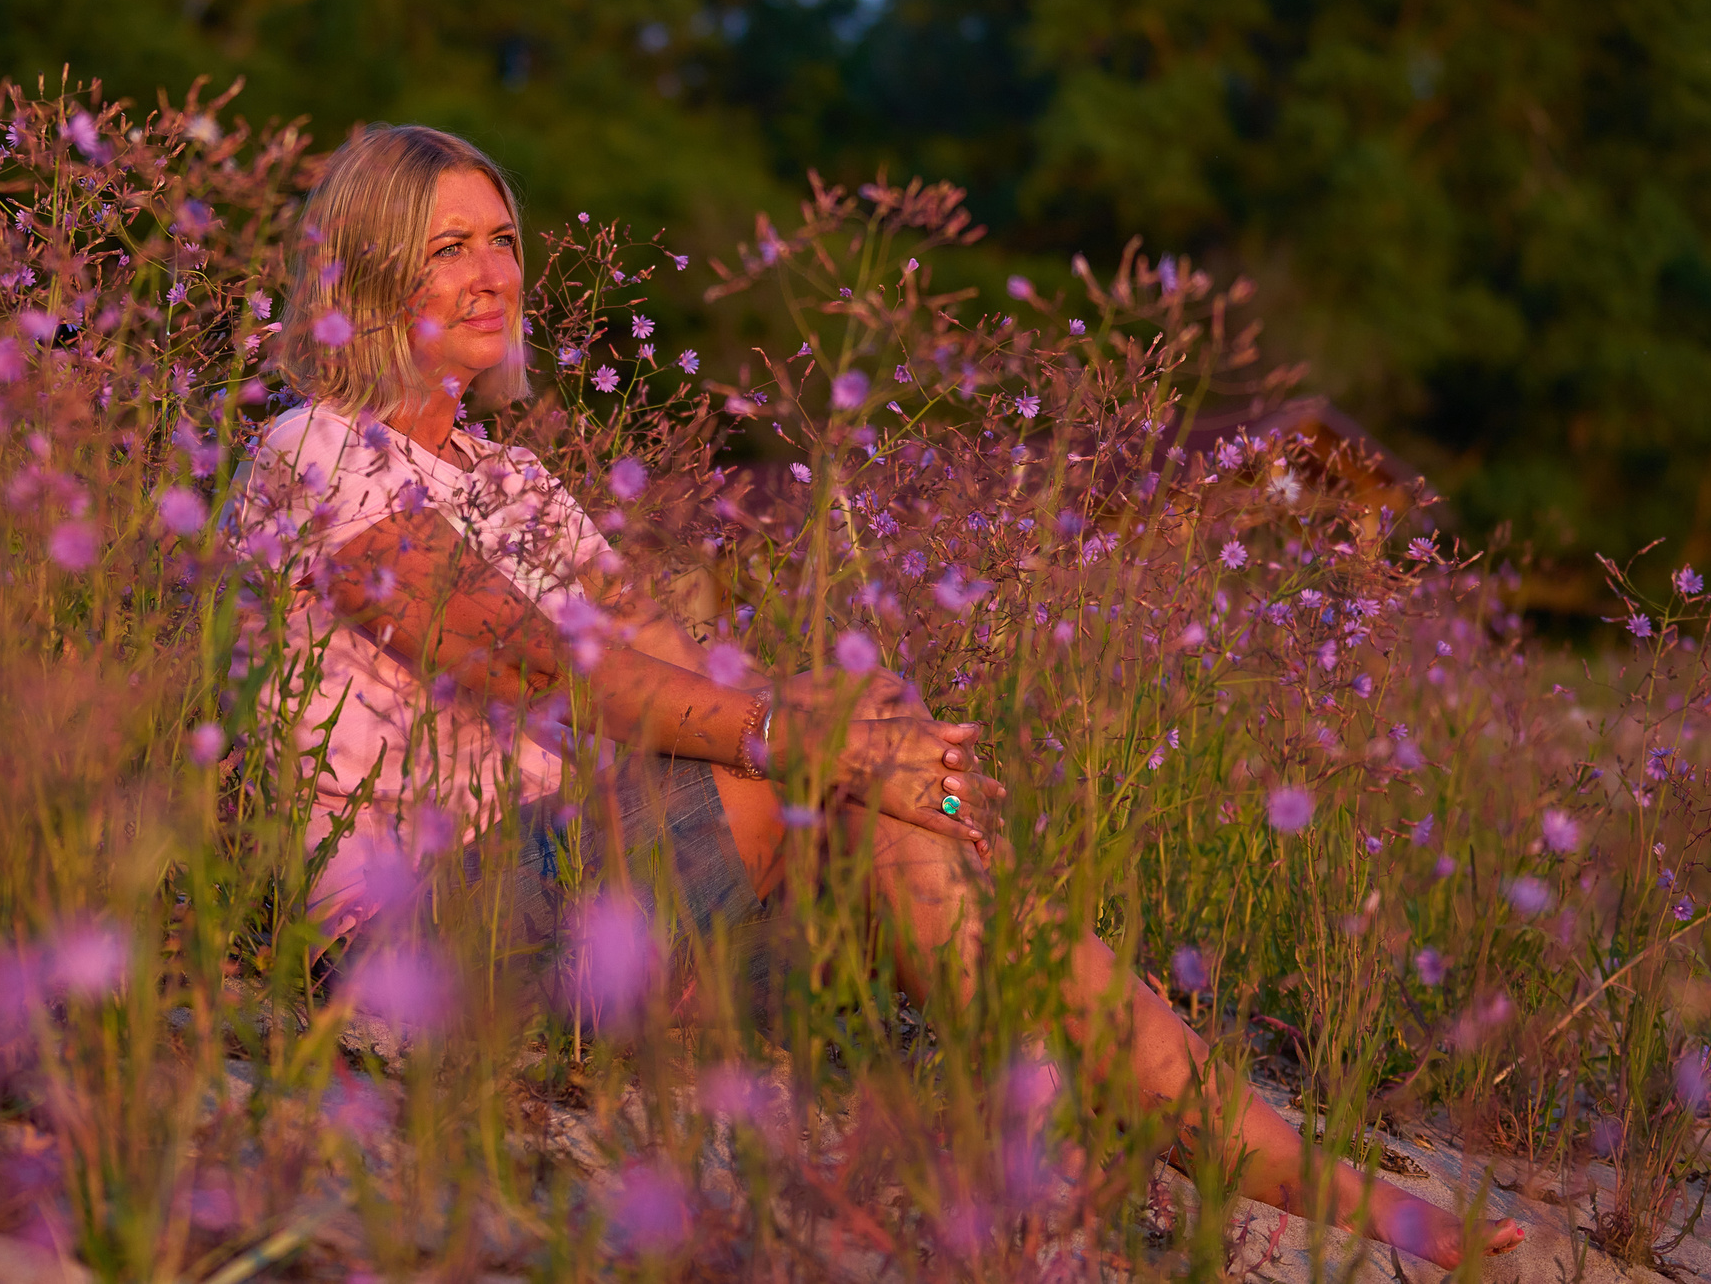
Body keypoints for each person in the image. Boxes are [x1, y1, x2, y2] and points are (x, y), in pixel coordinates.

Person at [232, 123, 1524, 1268]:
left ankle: (1282, 1176)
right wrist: (805, 739)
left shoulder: (517, 484)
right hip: (421, 941)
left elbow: (689, 668)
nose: (494, 273)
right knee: (816, 754)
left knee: (872, 761)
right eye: (447, 247)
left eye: (503, 241)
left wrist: (874, 733)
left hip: (591, 914)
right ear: (368, 277)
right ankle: (1058, 1134)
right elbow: (533, 656)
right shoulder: (316, 449)